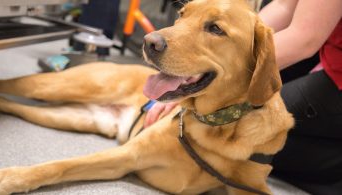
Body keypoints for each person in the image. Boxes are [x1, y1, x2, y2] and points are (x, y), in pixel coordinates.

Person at [144, 0, 342, 194]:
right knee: (219, 118)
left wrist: (227, 73)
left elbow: (305, 37)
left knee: (261, 137)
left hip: (335, 76)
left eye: (214, 29)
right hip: (328, 57)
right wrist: (187, 81)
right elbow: (284, 6)